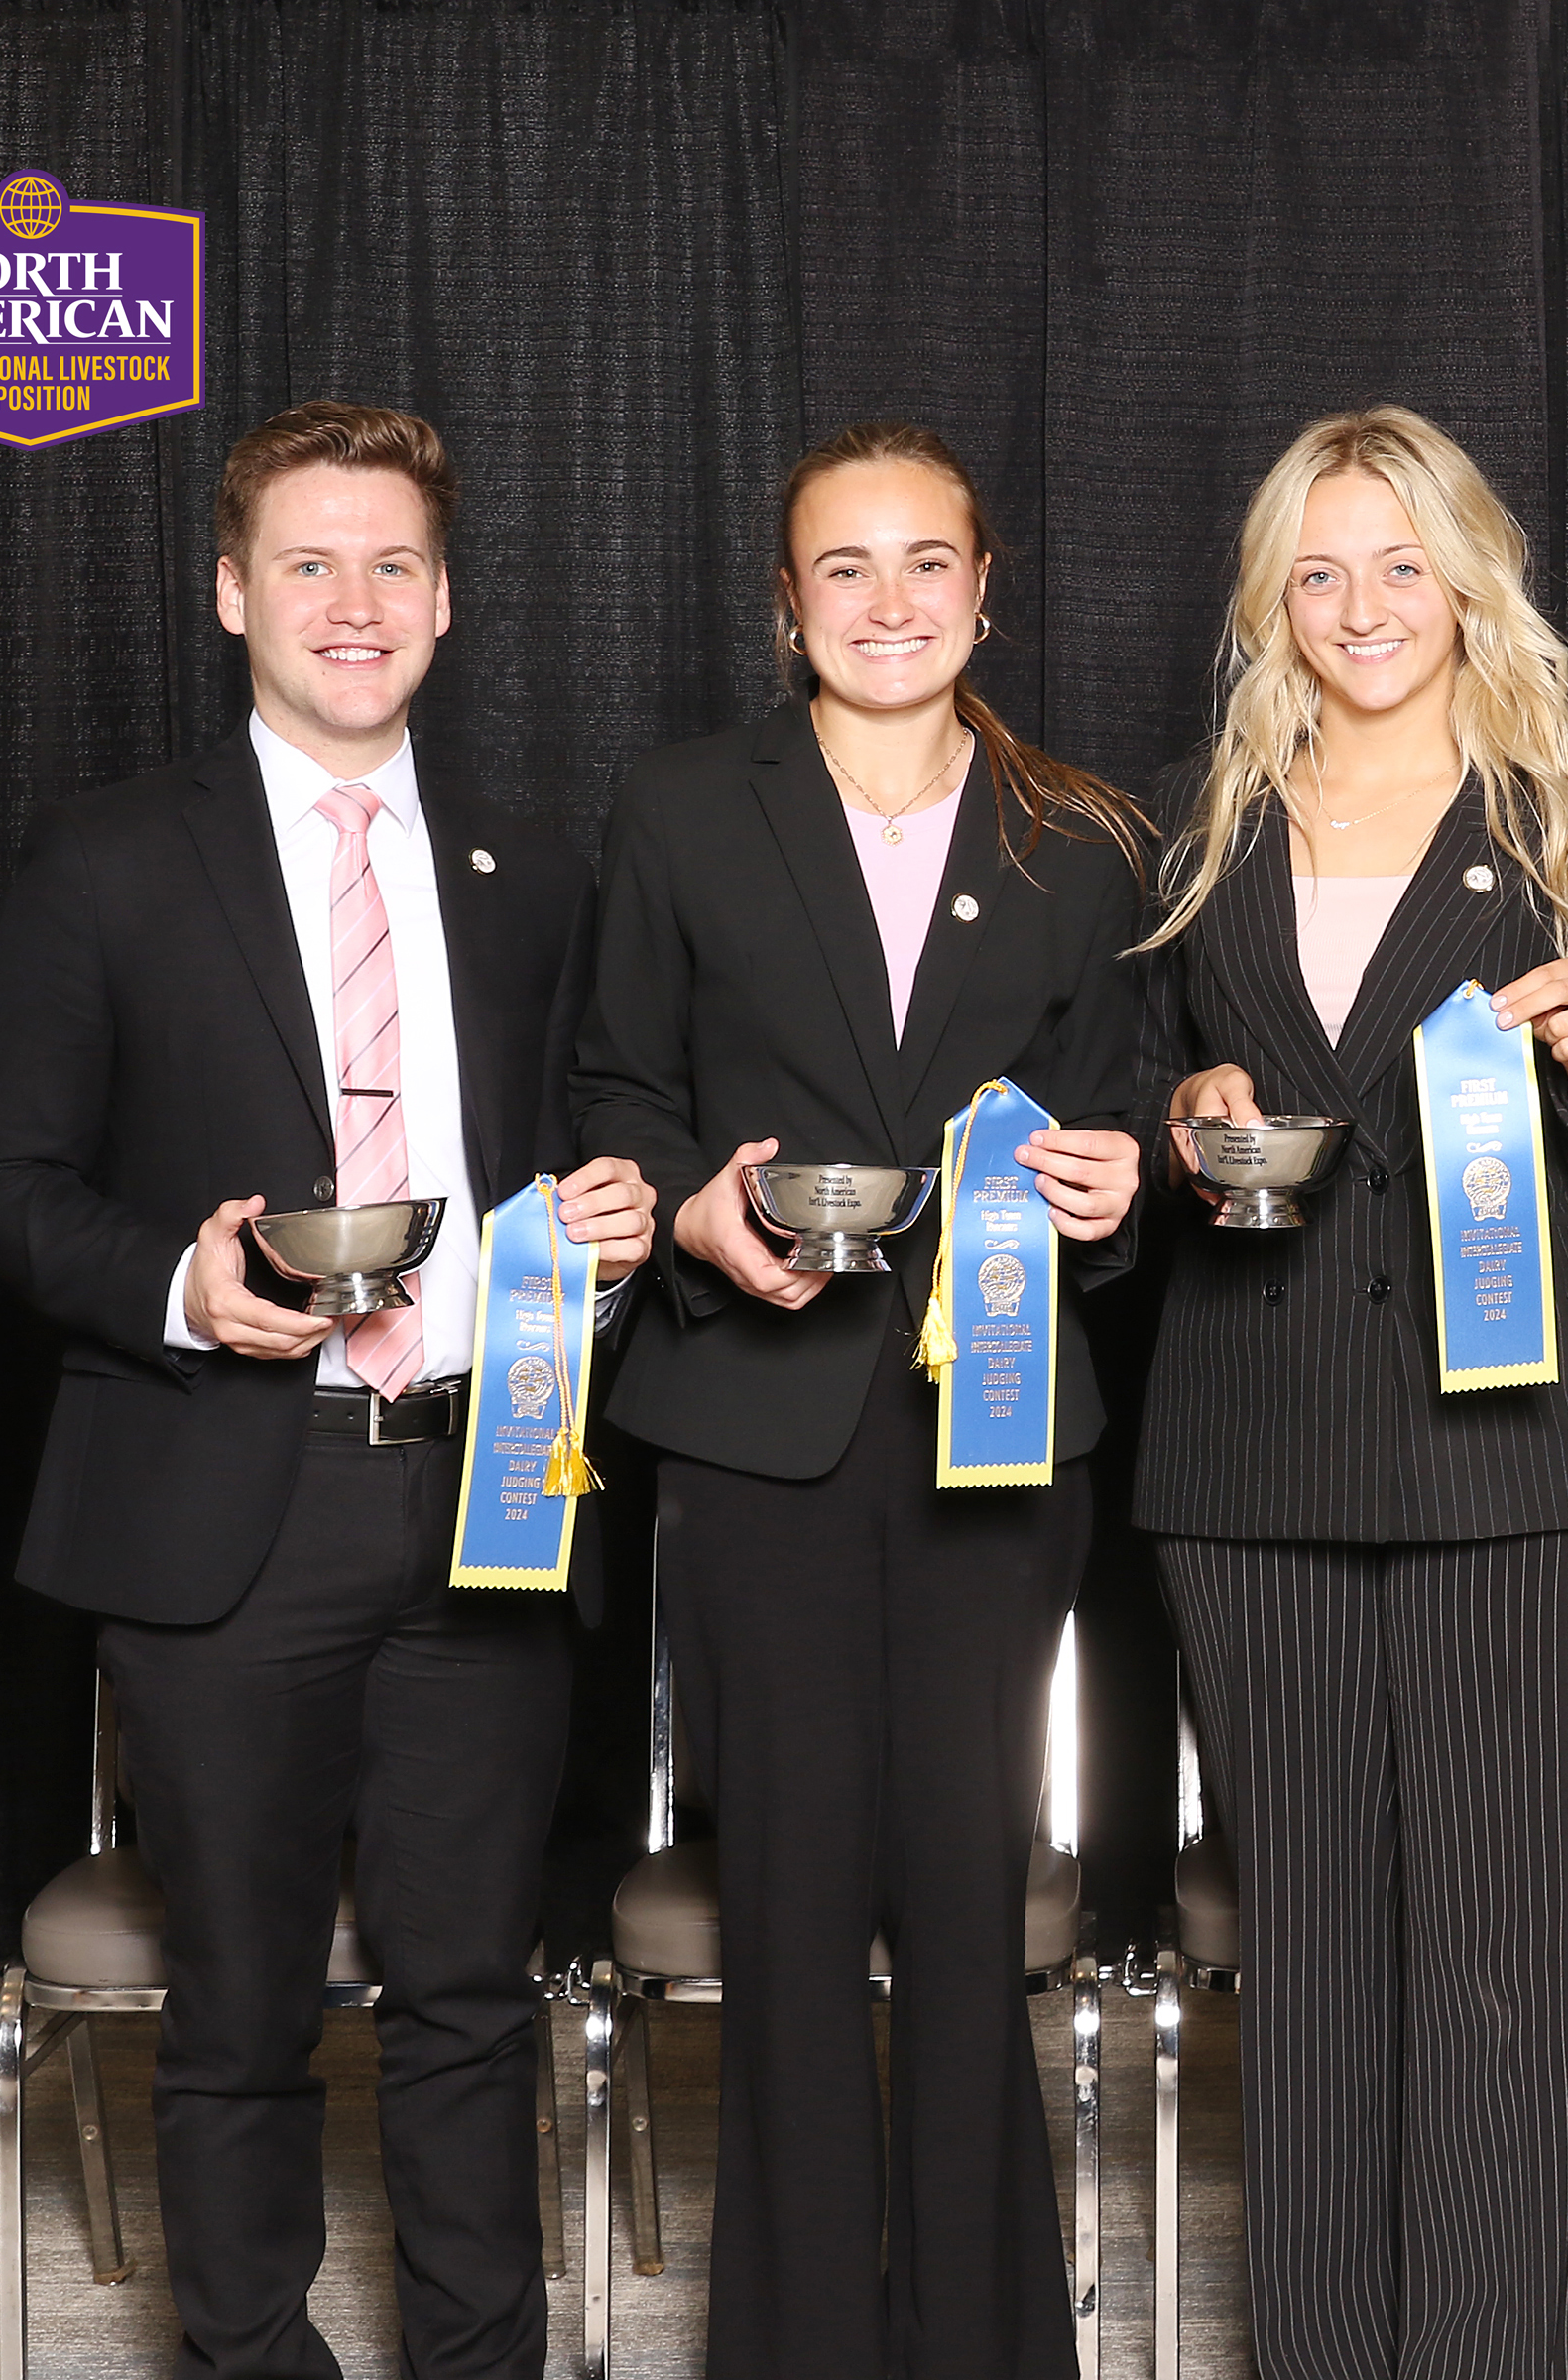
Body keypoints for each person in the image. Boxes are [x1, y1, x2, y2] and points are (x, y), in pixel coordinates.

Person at [0, 401, 658, 2380]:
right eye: (314, 563)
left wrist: (601, 1206)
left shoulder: (522, 868)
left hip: (488, 1486)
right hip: (221, 1503)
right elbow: (1, 1192)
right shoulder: (108, 859)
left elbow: (576, 1139)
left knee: (468, 1996)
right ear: (233, 588)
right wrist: (181, 1280)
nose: (359, 603)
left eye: (396, 565)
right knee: (245, 2006)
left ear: (446, 599)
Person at [569, 419, 1146, 2380]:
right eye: (845, 569)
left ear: (986, 592)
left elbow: (1138, 1114)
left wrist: (1120, 1178)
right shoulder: (680, 807)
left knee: (974, 1912)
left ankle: (987, 2349)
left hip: (999, 1438)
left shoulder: (1082, 836)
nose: (888, 605)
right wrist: (696, 1220)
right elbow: (616, 1094)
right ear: (786, 602)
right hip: (758, 1431)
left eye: (926, 566)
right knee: (795, 1923)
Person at [1135, 404, 1568, 2378]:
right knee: (1314, 1985)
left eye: (1402, 563)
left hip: (1518, 1468)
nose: (1365, 606)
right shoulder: (1207, 824)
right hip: (1250, 1458)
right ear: (1275, 601)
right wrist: (1184, 1104)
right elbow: (1143, 1121)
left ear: (1469, 583)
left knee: (1509, 1984)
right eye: (1322, 569)